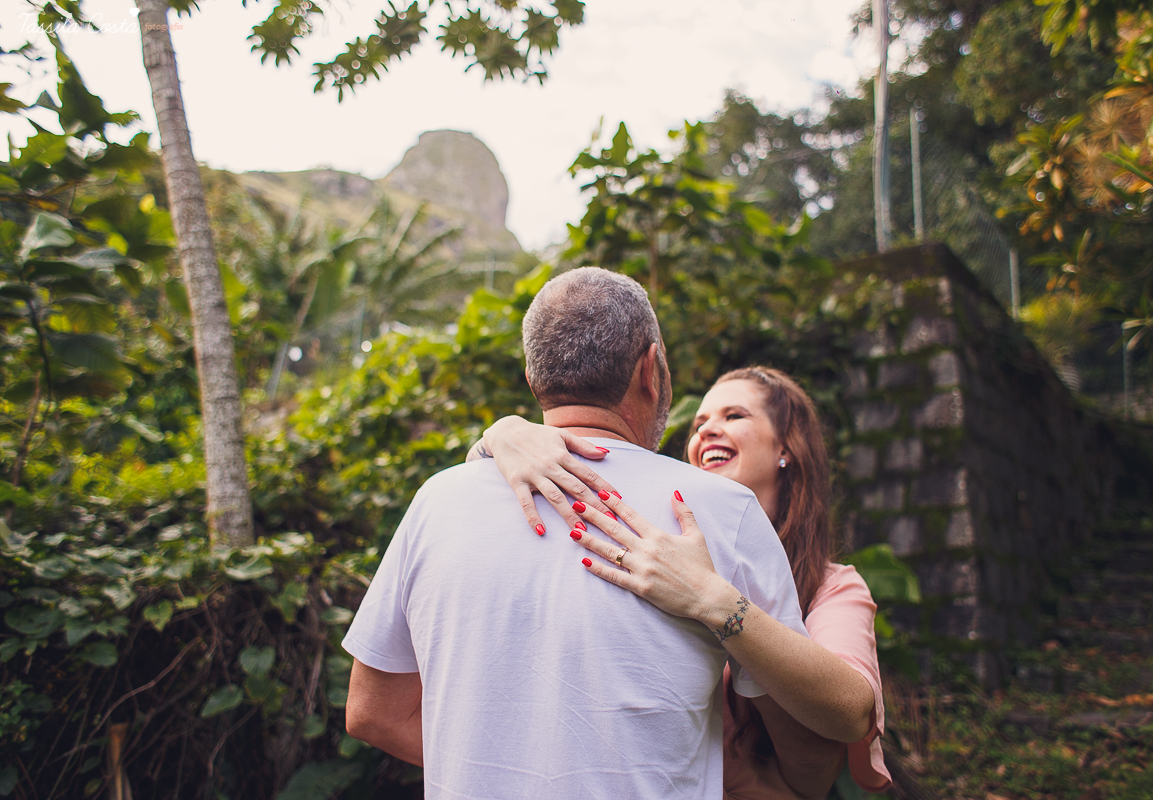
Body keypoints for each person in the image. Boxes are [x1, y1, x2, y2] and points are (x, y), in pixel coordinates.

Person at [343, 268, 858, 799]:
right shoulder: (721, 510)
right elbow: (811, 757)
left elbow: (372, 712)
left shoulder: (437, 500)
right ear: (650, 370)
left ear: (532, 377)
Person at [471, 367, 891, 798]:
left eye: (734, 416)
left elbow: (851, 715)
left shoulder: (832, 587)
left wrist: (712, 600)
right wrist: (499, 436)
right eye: (699, 423)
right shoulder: (651, 547)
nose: (707, 430)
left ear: (786, 447)